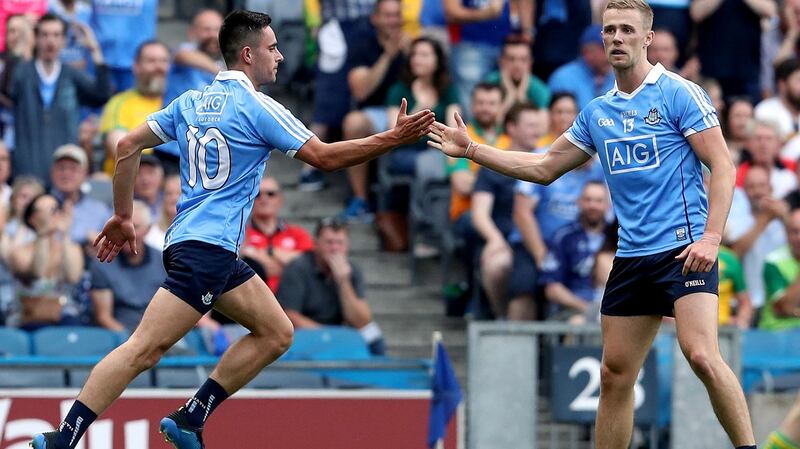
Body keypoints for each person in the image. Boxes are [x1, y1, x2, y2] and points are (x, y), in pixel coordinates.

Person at [30, 10, 434, 449]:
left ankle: (191, 418)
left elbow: (127, 144)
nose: (280, 56)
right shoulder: (258, 107)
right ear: (248, 54)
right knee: (143, 349)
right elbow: (324, 157)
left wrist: (123, 215)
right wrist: (391, 139)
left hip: (197, 245)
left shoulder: (189, 102)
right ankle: (64, 437)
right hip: (208, 250)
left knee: (277, 332)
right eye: (272, 48)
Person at [426, 0, 757, 447]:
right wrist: (472, 150)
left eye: (627, 30)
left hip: (685, 250)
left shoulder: (679, 93)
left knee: (701, 355)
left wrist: (712, 237)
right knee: (614, 375)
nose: (617, 38)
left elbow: (723, 165)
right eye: (609, 30)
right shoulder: (598, 112)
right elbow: (544, 166)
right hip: (632, 256)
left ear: (647, 38)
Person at [11, 13, 111, 182]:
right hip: (28, 169)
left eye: (56, 35)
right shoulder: (23, 72)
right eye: (44, 35)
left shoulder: (71, 75)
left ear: (64, 41)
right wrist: (22, 45)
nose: (50, 41)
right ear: (36, 39)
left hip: (64, 172)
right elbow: (8, 88)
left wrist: (94, 49)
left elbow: (102, 94)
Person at [336, 0, 406, 218]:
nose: (393, 21)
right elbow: (360, 91)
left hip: (409, 111)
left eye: (397, 15)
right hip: (375, 112)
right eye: (388, 15)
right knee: (353, 123)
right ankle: (361, 200)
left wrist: (412, 53)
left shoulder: (413, 45)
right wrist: (388, 56)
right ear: (375, 18)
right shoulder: (362, 45)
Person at [277, 217, 385, 355]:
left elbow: (362, 321)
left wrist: (343, 281)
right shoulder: (298, 267)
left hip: (339, 333)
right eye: (329, 242)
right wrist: (329, 335)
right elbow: (290, 316)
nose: (335, 248)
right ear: (316, 244)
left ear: (347, 246)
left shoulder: (352, 271)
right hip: (305, 333)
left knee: (373, 334)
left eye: (340, 243)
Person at [89, 200, 165, 332]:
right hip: (121, 334)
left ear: (148, 230)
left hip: (160, 331)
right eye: (121, 227)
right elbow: (104, 317)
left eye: (136, 227)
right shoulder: (102, 264)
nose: (128, 233)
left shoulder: (164, 261)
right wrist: (134, 340)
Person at [541, 181, 609, 323]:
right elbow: (552, 288)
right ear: (579, 202)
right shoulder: (563, 237)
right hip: (573, 310)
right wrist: (588, 309)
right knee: (578, 322)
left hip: (613, 309)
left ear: (608, 205)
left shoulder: (619, 235)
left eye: (598, 201)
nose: (593, 205)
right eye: (588, 200)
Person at [99, 40, 170, 176]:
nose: (159, 67)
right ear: (136, 67)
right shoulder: (120, 102)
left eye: (163, 61)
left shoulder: (178, 102)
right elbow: (120, 148)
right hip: (129, 180)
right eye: (151, 61)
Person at [242, 176, 314, 292]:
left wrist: (268, 251)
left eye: (270, 194)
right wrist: (287, 262)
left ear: (280, 199)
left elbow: (310, 264)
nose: (264, 199)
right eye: (258, 194)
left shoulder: (298, 233)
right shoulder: (240, 234)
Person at [547, 24, 615, 110]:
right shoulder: (564, 78)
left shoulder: (616, 77)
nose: (610, 53)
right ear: (586, 52)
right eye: (604, 48)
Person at [164, 9, 225, 104]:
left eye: (217, 30)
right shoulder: (184, 52)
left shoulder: (223, 62)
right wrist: (222, 73)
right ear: (192, 32)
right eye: (207, 29)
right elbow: (183, 55)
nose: (213, 35)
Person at [485, 34, 550, 116]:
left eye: (523, 60)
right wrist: (510, 97)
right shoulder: (489, 84)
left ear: (530, 62)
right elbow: (489, 122)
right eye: (511, 59)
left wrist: (521, 97)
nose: (517, 65)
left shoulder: (540, 89)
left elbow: (542, 122)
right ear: (501, 61)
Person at [759, 208, 800, 330]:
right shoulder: (774, 261)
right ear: (786, 234)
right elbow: (784, 307)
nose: (799, 237)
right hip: (778, 331)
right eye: (794, 232)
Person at [144, 173, 179, 249]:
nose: (174, 198)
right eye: (169, 194)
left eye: (179, 194)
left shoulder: (197, 232)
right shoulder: (151, 234)